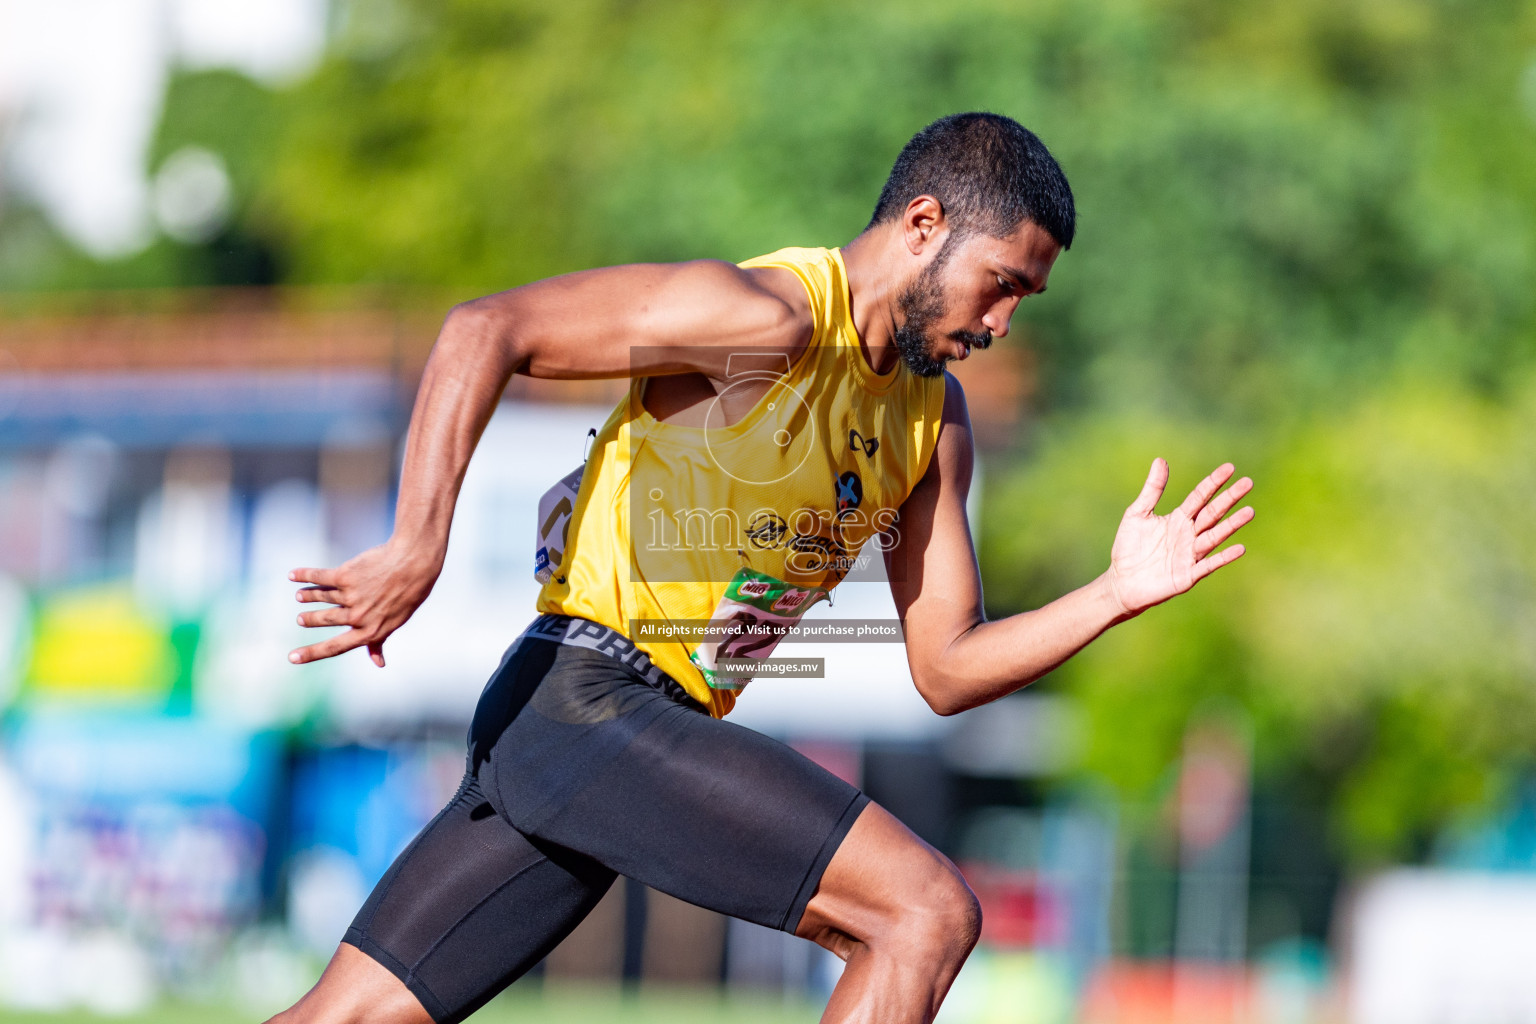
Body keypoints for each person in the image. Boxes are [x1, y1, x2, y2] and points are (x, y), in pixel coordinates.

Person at [270, 112, 1252, 1024]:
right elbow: (484, 330)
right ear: (923, 223)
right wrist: (418, 544)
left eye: (1024, 301)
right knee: (923, 915)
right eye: (1001, 283)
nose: (1002, 324)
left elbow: (946, 668)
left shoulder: (932, 423)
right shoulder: (764, 318)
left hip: (610, 736)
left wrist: (1114, 594)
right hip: (586, 697)